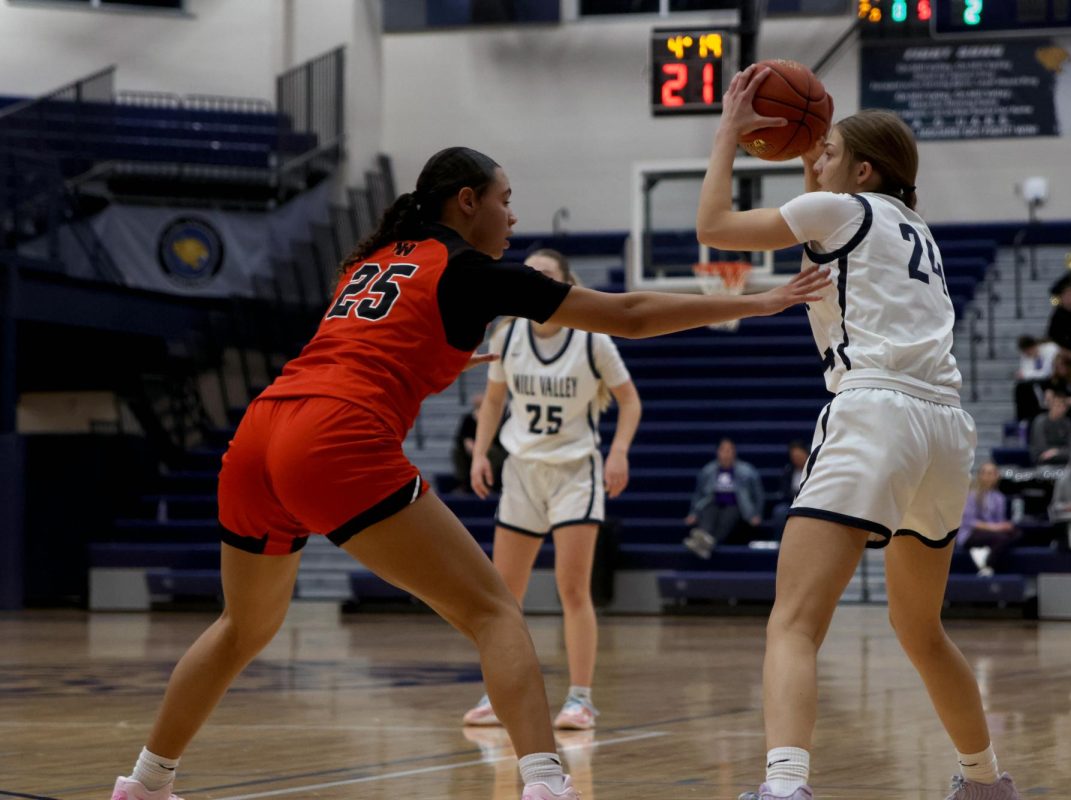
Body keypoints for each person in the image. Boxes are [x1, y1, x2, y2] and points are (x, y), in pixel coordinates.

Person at [107, 146, 831, 800]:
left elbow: (369, 344)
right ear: (466, 202)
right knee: (494, 612)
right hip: (332, 439)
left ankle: (144, 783)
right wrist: (759, 300)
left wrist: (446, 358)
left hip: (260, 434)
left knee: (240, 626)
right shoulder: (470, 273)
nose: (513, 215)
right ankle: (545, 784)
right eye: (504, 198)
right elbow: (631, 313)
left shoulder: (373, 260)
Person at [695, 69, 1024, 800]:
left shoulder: (840, 209)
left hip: (875, 409)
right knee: (922, 632)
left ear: (863, 170)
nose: (815, 156)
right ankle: (985, 782)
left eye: (830, 147)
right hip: (945, 429)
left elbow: (714, 227)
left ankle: (784, 788)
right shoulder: (920, 231)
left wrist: (727, 134)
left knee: (794, 623)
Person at [462, 248, 642, 732]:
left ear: (563, 283)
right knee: (504, 596)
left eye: (546, 275)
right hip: (521, 471)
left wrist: (619, 451)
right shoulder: (507, 334)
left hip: (573, 472)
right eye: (531, 274)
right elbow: (494, 400)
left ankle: (581, 699)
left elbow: (629, 401)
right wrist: (481, 454)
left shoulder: (591, 341)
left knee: (572, 590)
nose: (535, 280)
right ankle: (496, 694)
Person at [682, 437, 766, 559]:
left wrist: (756, 513)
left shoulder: (747, 471)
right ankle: (705, 538)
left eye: (729, 450)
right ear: (718, 452)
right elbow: (699, 494)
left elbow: (758, 494)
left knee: (730, 512)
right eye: (723, 450)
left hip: (736, 506)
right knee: (708, 509)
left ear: (734, 452)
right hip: (713, 503)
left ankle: (705, 543)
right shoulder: (708, 471)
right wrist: (693, 513)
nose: (726, 453)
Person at [957, 462, 1021, 576]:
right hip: (970, 533)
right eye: (985, 473)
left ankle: (985, 551)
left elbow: (999, 520)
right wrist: (996, 528)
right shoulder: (971, 495)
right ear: (980, 475)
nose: (988, 476)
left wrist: (1005, 526)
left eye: (991, 473)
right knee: (1001, 538)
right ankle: (987, 564)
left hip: (992, 532)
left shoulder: (999, 497)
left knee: (1016, 533)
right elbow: (969, 522)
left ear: (997, 476)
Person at [452, 392, 506, 493]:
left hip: (491, 449)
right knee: (457, 452)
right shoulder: (468, 419)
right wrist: (473, 448)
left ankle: (489, 484)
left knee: (493, 453)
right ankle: (464, 484)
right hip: (473, 449)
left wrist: (481, 449)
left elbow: (498, 439)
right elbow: (464, 438)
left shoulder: (496, 419)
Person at [1013, 335, 1058, 422]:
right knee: (1021, 387)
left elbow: (1047, 372)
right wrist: (1027, 374)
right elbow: (1024, 372)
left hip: (1053, 380)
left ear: (1033, 346)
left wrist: (1027, 374)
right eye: (1025, 353)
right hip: (1036, 382)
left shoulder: (1050, 349)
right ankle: (1024, 418)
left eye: (1028, 352)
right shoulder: (1025, 355)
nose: (1027, 355)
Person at [1028, 391, 1071, 465]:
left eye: (1063, 406)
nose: (1061, 409)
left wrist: (1056, 452)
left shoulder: (1067, 423)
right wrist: (1058, 451)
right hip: (1043, 459)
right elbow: (1041, 447)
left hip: (1063, 458)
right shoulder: (1040, 421)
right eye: (1057, 406)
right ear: (1051, 406)